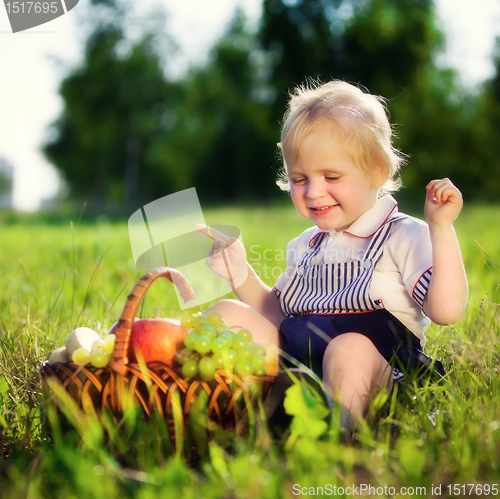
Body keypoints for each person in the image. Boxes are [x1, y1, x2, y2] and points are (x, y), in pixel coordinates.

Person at [197, 79, 468, 433]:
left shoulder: (402, 233)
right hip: (302, 368)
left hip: (382, 374)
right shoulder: (307, 244)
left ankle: (339, 436)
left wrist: (442, 228)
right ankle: (208, 405)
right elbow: (278, 316)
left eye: (331, 176)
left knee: (348, 347)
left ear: (378, 171)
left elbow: (446, 311)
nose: (313, 191)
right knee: (228, 314)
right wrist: (239, 274)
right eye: (299, 179)